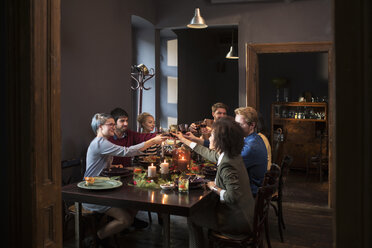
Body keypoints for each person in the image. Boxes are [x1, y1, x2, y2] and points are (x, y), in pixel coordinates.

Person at [83, 113, 165, 246]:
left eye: (114, 124)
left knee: (133, 205)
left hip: (103, 187)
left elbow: (104, 165)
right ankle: (96, 238)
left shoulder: (104, 142)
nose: (114, 127)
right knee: (126, 219)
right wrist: (152, 141)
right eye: (111, 124)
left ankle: (107, 235)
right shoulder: (100, 142)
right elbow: (127, 151)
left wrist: (117, 166)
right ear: (100, 127)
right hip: (94, 191)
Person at [174, 117, 255, 248]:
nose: (209, 138)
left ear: (221, 140)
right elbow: (209, 154)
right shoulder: (231, 155)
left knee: (193, 217)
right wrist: (185, 141)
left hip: (236, 222)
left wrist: (214, 187)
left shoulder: (228, 165)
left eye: (212, 135)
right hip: (247, 214)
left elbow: (232, 197)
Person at [234, 106, 268, 196]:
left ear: (252, 125)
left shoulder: (251, 147)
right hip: (254, 189)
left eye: (240, 125)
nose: (236, 128)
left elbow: (230, 166)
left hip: (250, 194)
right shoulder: (256, 138)